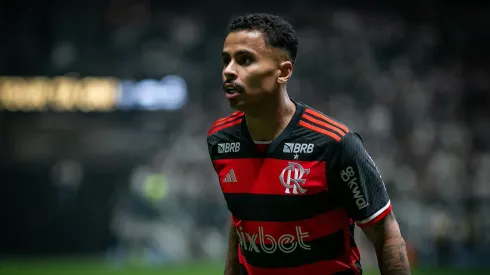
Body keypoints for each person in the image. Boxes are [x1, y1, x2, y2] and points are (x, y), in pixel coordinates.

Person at [207, 13, 411, 275]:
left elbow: (386, 234)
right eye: (226, 60)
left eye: (245, 60)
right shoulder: (219, 139)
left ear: (283, 72)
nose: (229, 70)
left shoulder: (334, 143)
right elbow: (240, 221)